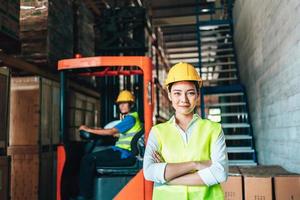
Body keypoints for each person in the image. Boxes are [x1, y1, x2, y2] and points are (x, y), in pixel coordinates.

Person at [143, 62, 228, 200]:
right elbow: (149, 172)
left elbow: (220, 173)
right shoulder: (158, 132)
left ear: (198, 95)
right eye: (177, 93)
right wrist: (196, 164)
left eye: (190, 93)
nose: (184, 99)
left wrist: (168, 177)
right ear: (169, 95)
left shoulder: (213, 129)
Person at [78, 90, 143, 199]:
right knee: (91, 158)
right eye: (119, 104)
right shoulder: (131, 118)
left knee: (88, 159)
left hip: (123, 153)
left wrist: (88, 129)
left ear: (131, 105)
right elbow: (116, 133)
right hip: (122, 151)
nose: (121, 106)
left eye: (124, 103)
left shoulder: (130, 118)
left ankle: (85, 196)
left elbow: (111, 131)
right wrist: (97, 130)